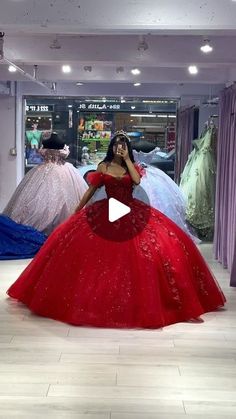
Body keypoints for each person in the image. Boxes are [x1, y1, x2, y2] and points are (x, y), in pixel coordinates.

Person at [7, 131, 225, 329]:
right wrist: (77, 210)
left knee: (148, 252)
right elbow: (91, 191)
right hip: (106, 211)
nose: (118, 149)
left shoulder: (132, 167)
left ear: (127, 149)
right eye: (116, 146)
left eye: (122, 146)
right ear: (111, 147)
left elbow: (137, 181)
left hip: (132, 211)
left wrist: (128, 160)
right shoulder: (103, 167)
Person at [3, 133, 88, 235]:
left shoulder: (51, 143)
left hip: (51, 169)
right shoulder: (54, 143)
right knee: (39, 198)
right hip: (55, 170)